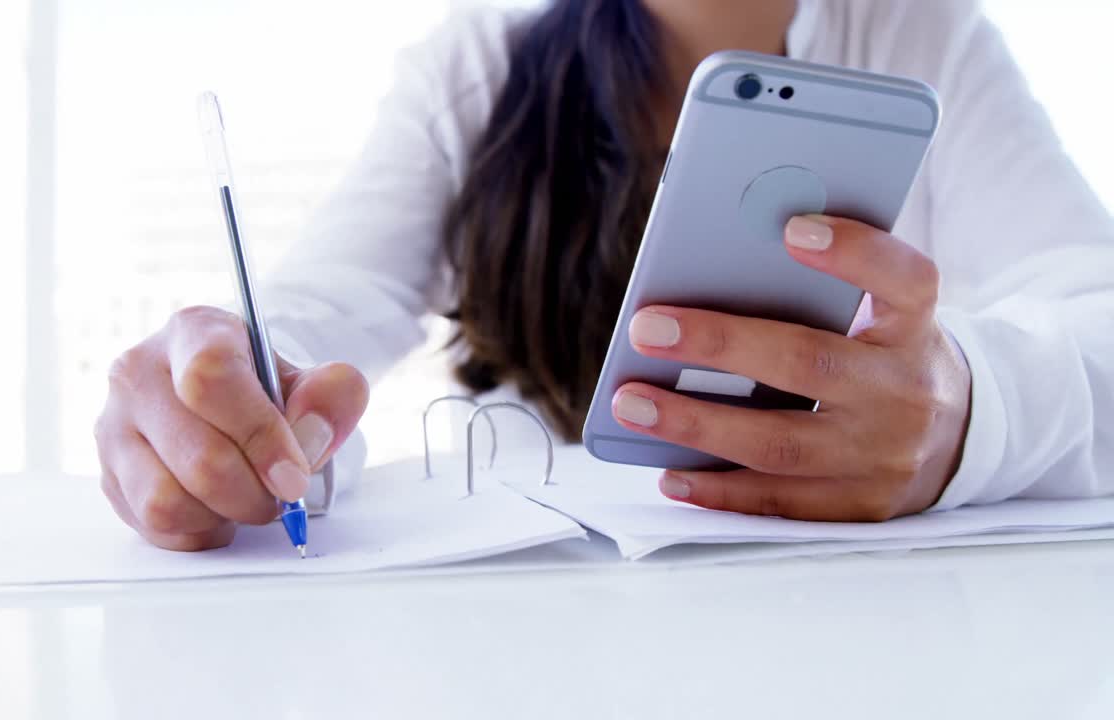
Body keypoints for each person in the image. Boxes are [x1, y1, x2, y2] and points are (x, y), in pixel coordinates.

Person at [93, 0, 1114, 551]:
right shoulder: (475, 68)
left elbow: (1097, 317)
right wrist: (239, 388)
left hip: (842, 617)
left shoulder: (920, 37)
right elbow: (325, 309)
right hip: (543, 624)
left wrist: (967, 412)